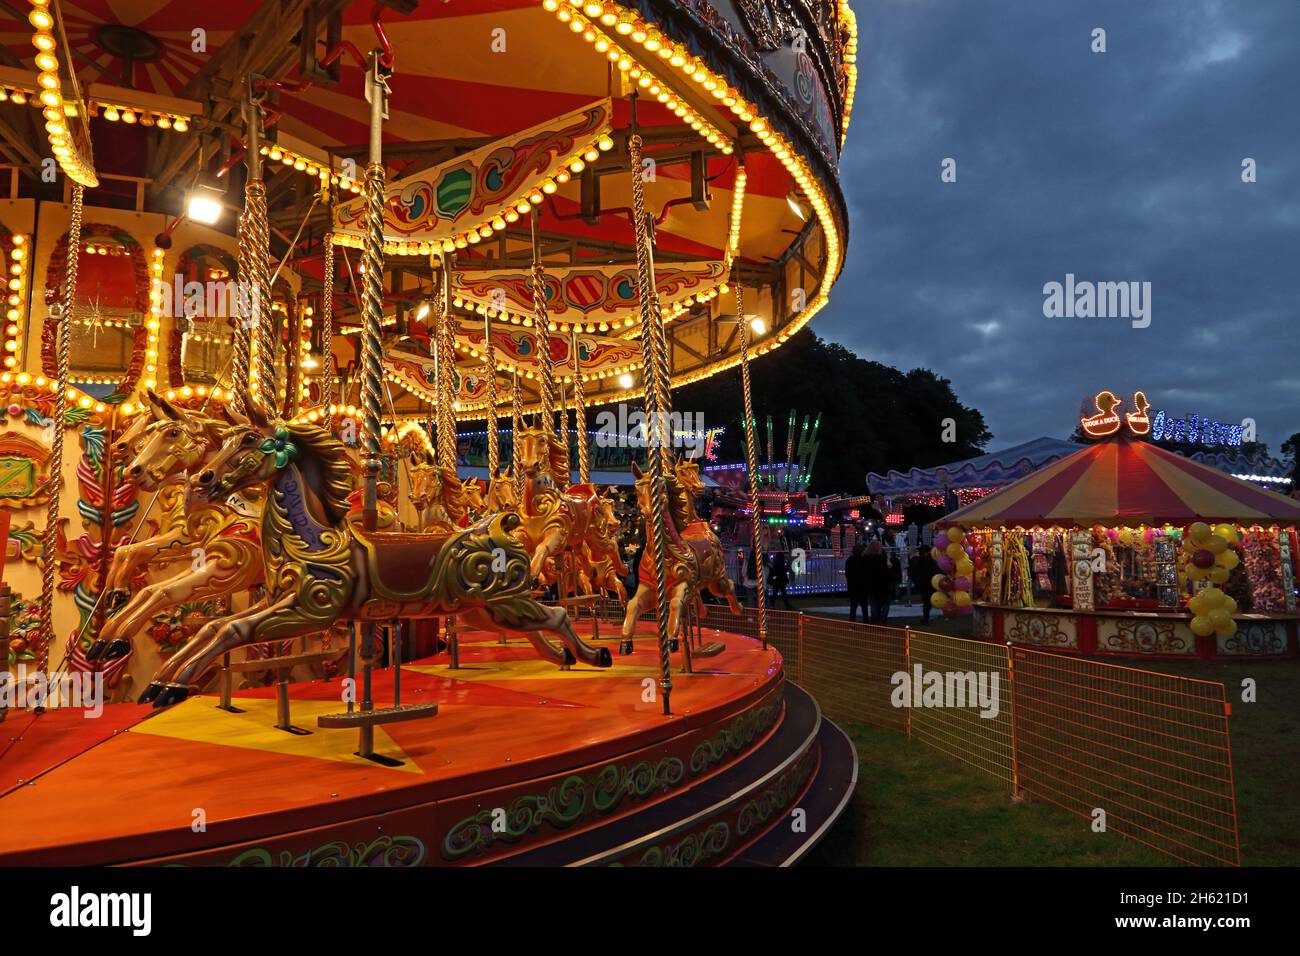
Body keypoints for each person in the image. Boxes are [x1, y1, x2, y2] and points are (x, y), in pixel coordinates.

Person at [861, 540, 895, 625]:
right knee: (885, 604)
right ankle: (883, 622)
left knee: (873, 604)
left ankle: (874, 621)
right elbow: (887, 572)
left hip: (871, 585)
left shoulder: (865, 559)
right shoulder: (881, 559)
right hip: (883, 584)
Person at [908, 547, 941, 624]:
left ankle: (926, 617)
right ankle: (926, 617)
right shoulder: (931, 561)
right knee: (928, 602)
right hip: (930, 583)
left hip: (922, 583)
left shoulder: (918, 561)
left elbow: (912, 571)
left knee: (926, 601)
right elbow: (936, 570)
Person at [844, 544, 867, 622]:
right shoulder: (863, 560)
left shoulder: (849, 560)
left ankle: (852, 622)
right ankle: (866, 622)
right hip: (862, 585)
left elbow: (847, 574)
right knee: (864, 605)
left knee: (853, 606)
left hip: (853, 586)